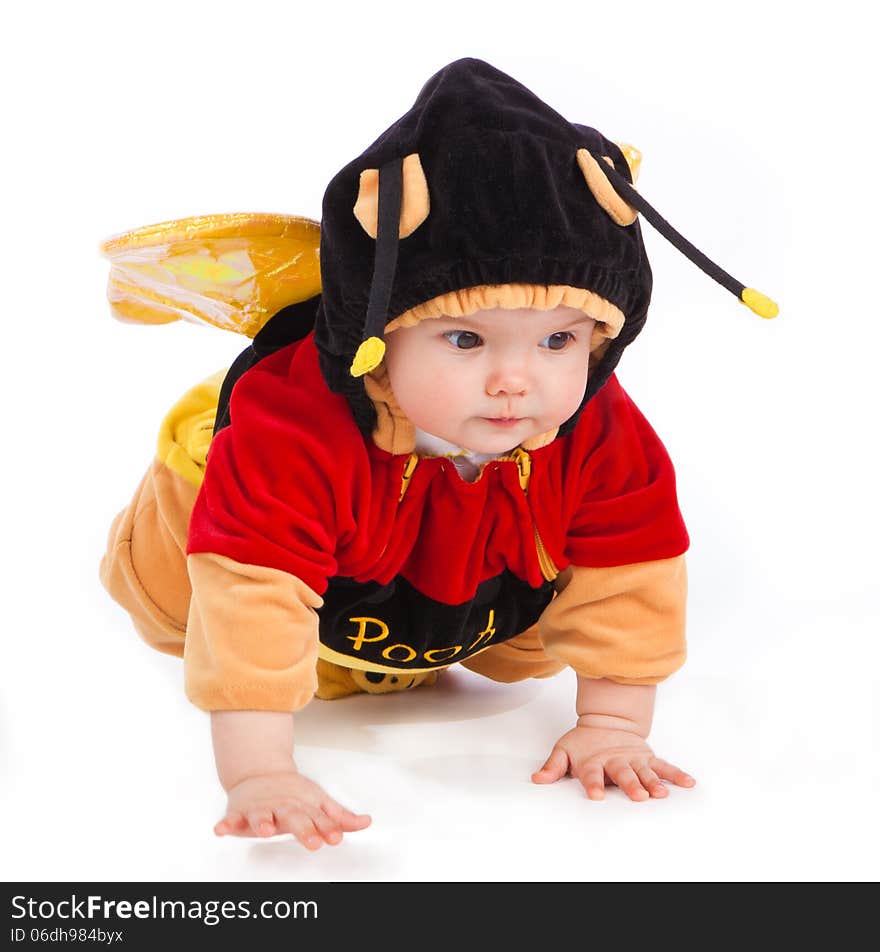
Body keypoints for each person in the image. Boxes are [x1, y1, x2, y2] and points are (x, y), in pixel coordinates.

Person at [99, 57, 777, 850]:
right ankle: (192, 496)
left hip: (442, 601)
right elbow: (252, 593)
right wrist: (259, 772)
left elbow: (633, 573)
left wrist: (613, 726)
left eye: (559, 339)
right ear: (378, 346)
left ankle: (422, 630)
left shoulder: (595, 429)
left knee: (527, 657)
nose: (515, 380)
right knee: (170, 595)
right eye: (465, 338)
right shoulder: (294, 431)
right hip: (267, 566)